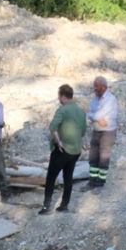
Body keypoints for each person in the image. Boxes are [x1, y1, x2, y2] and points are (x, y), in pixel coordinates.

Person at [40, 84, 87, 215]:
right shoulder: (80, 111)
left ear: (62, 96)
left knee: (51, 177)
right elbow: (83, 132)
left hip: (62, 150)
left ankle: (46, 207)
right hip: (76, 151)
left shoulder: (62, 110)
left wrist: (58, 141)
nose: (58, 98)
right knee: (68, 178)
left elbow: (52, 127)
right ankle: (64, 205)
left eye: (59, 96)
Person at [85, 75, 118, 190]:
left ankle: (100, 183)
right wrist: (97, 118)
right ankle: (92, 181)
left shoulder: (110, 99)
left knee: (103, 157)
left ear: (103, 87)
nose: (94, 88)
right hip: (96, 130)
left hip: (107, 132)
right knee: (93, 156)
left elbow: (98, 115)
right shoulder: (95, 99)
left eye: (96, 86)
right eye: (94, 86)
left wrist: (95, 116)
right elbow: (89, 113)